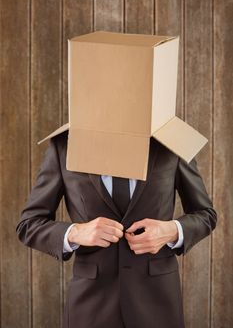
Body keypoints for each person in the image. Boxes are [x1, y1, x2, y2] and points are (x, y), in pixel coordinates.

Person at [16, 130, 217, 328]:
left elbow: (205, 214)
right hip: (91, 304)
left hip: (157, 302)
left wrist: (172, 230)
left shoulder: (172, 141)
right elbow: (29, 224)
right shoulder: (64, 144)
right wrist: (76, 232)